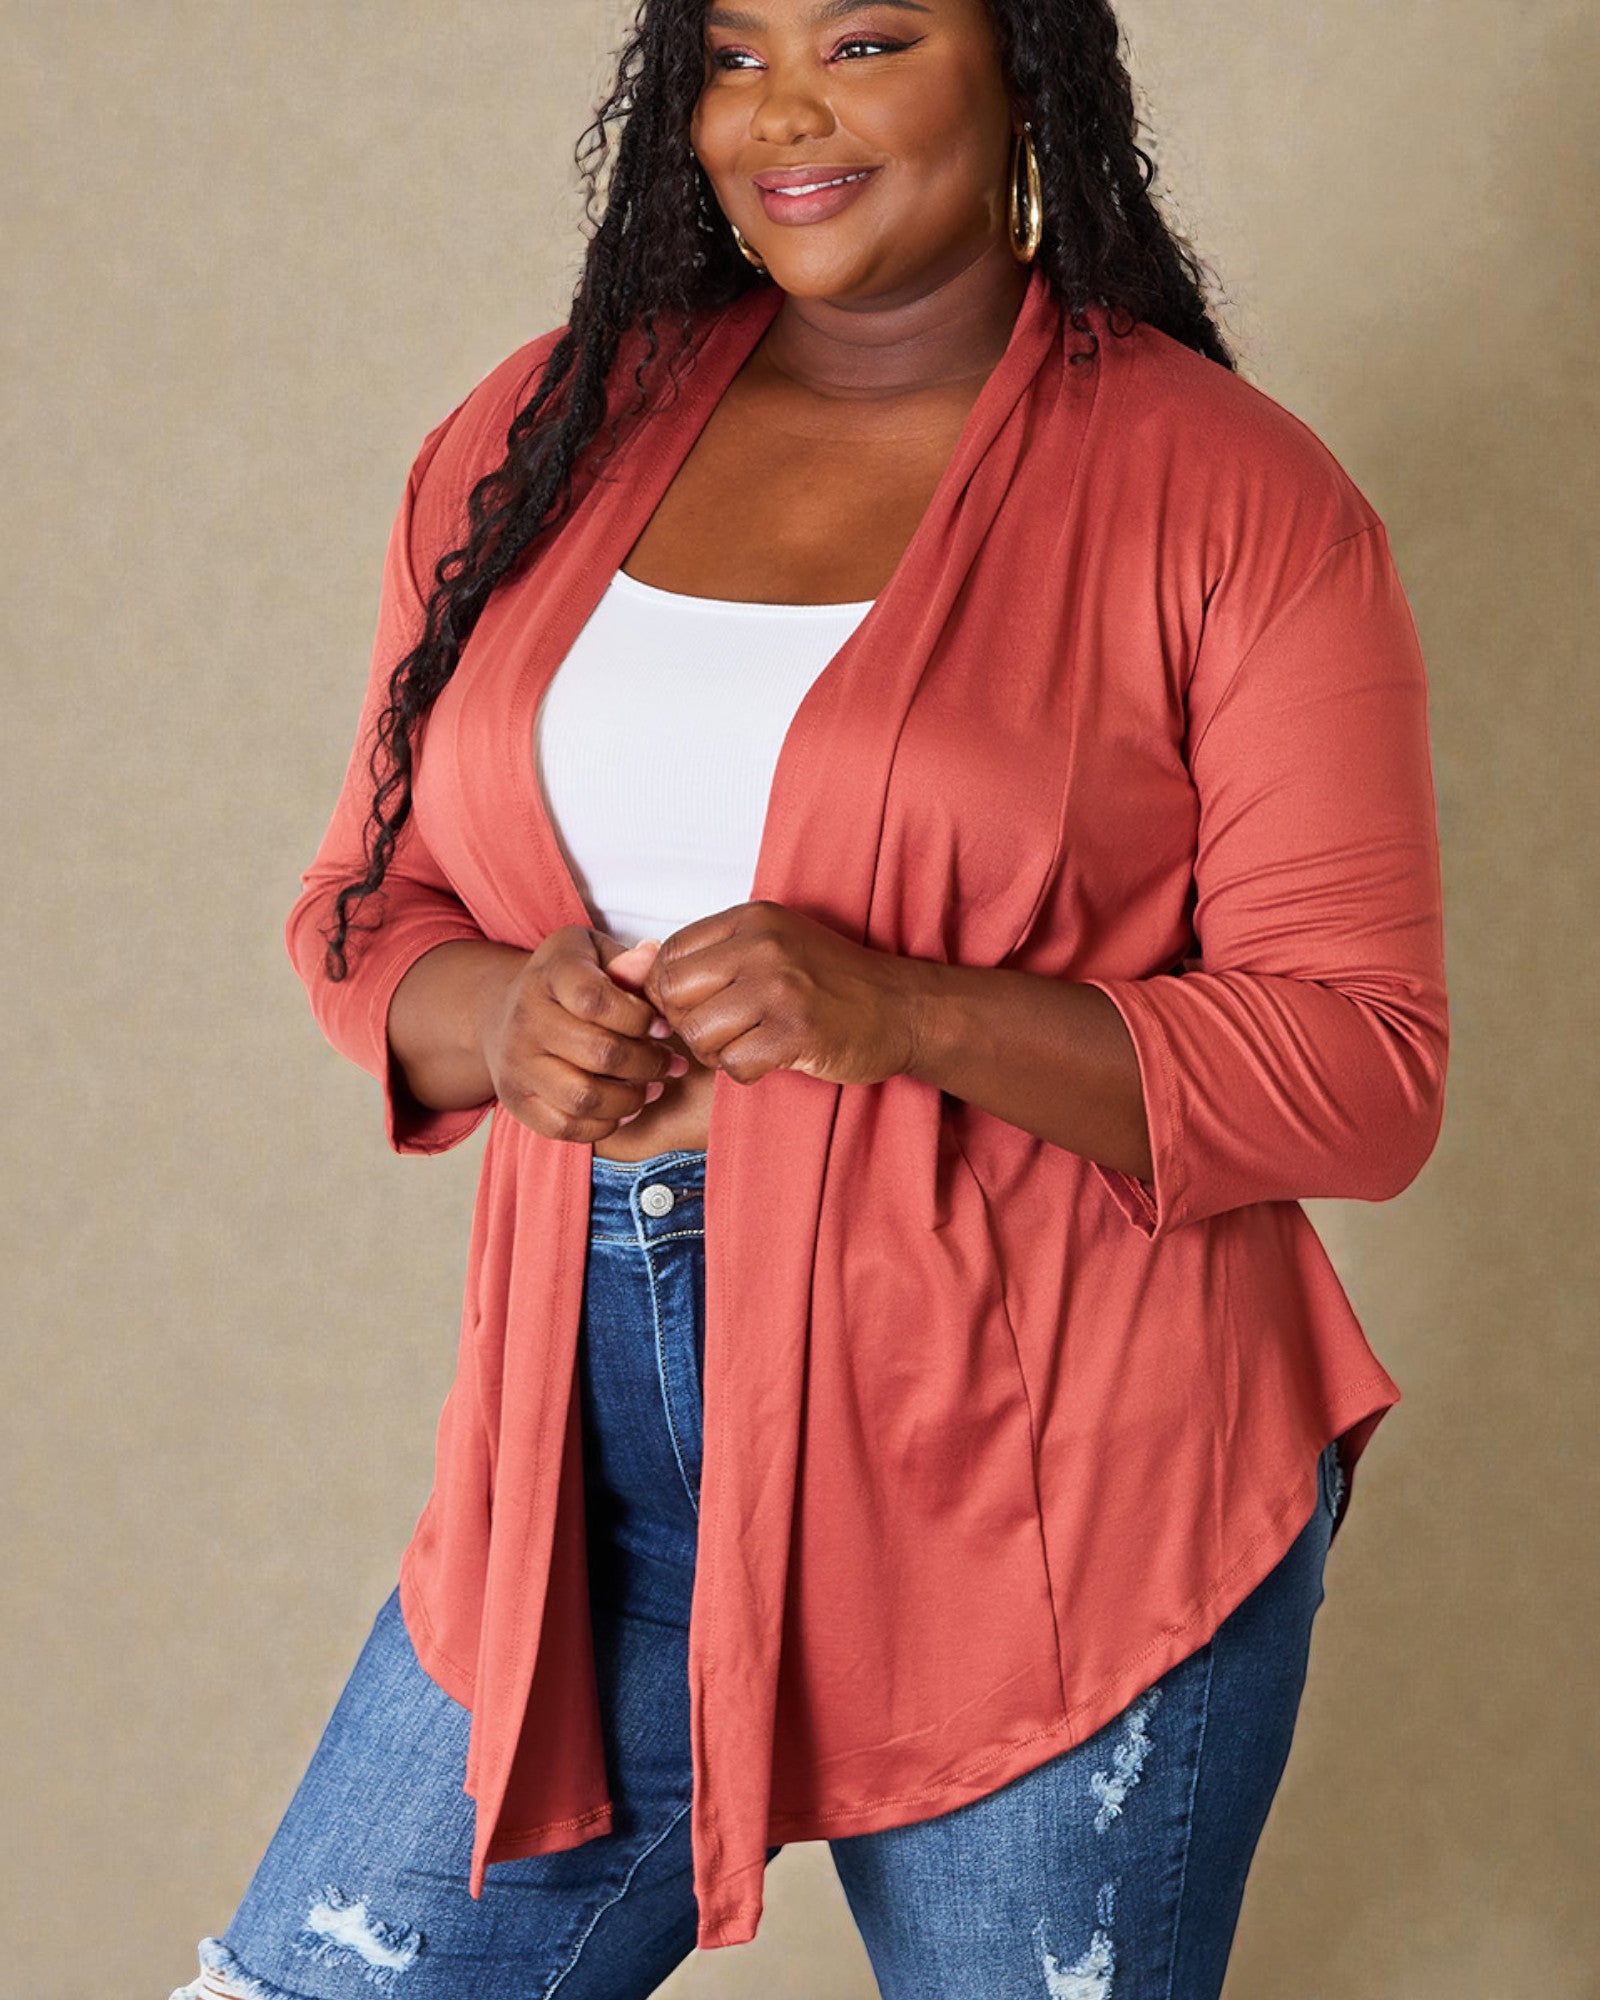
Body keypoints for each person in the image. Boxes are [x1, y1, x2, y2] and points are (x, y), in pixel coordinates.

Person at [174, 0, 1448, 1995]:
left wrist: (906, 1012)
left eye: (863, 39)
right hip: (588, 1457)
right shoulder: (537, 431)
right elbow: (364, 908)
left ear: (1020, 69)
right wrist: (497, 1010)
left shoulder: (1226, 491)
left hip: (1061, 1465)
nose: (782, 109)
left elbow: (1362, 1070)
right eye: (731, 47)